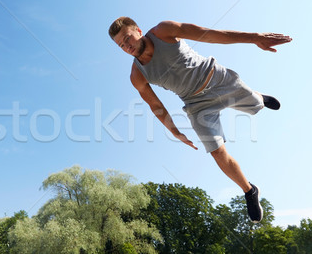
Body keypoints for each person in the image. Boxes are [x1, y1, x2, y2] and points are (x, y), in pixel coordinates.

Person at [108, 17, 292, 223]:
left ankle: (259, 97)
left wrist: (254, 38)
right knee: (217, 152)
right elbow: (156, 106)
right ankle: (249, 191)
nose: (127, 46)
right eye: (121, 45)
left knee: (255, 104)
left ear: (138, 30)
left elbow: (211, 35)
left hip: (216, 79)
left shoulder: (163, 31)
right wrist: (175, 132)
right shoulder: (136, 74)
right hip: (196, 105)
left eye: (127, 38)